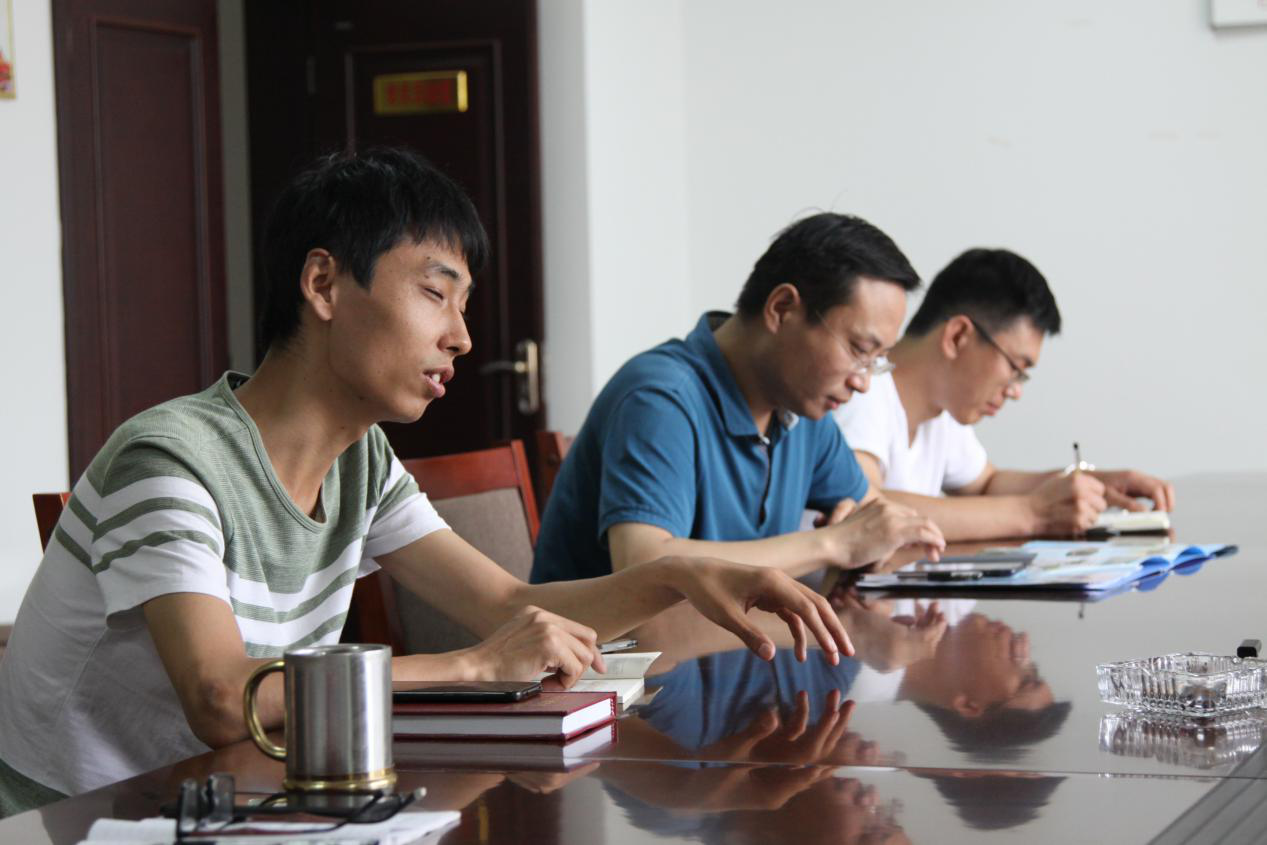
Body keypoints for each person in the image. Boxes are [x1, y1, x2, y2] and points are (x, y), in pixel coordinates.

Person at [0, 148, 852, 813]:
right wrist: (471, 666)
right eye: (435, 295)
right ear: (323, 284)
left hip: (231, 803)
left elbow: (509, 604)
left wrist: (679, 574)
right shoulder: (169, 458)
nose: (461, 337)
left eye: (463, 304)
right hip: (77, 818)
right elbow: (224, 697)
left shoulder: (363, 462)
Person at [531, 213, 946, 587]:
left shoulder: (802, 411)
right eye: (859, 350)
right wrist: (833, 544)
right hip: (607, 648)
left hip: (731, 643)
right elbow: (643, 564)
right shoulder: (661, 399)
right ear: (781, 309)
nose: (863, 383)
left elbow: (868, 515)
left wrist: (865, 531)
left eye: (876, 361)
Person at [833, 248, 1174, 541]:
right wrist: (1033, 514)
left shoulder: (941, 411)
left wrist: (1096, 484)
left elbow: (988, 484)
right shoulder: (859, 389)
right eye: (1015, 367)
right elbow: (868, 506)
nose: (1015, 391)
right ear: (958, 336)